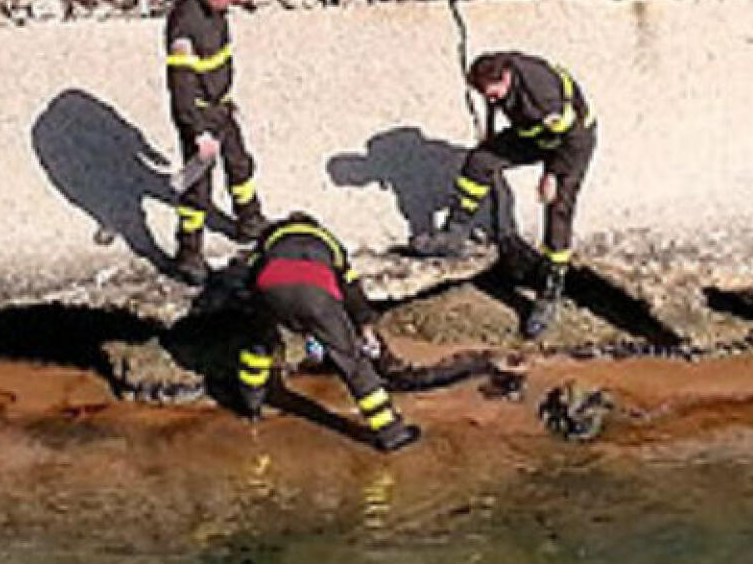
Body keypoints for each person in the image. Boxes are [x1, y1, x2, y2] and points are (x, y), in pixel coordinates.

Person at [410, 51, 598, 338]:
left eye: (493, 93)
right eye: (485, 93)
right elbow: (492, 102)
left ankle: (549, 292)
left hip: (571, 142)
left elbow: (570, 137)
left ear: (506, 77)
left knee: (558, 208)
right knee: (480, 161)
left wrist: (553, 175)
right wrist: (491, 136)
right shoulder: (496, 69)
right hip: (532, 133)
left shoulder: (543, 96)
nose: (491, 98)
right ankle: (454, 234)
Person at [237, 211, 422, 452]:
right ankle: (391, 433)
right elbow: (350, 287)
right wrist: (364, 323)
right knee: (352, 363)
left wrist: (256, 306)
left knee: (258, 345)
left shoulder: (271, 238)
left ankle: (251, 404)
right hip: (317, 295)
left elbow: (249, 274)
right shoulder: (329, 242)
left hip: (271, 287)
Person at [165, 0, 269, 285]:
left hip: (221, 108)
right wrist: (198, 133)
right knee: (197, 189)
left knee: (240, 166)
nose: (236, 5)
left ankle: (249, 222)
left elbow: (217, 61)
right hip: (198, 115)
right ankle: (189, 255)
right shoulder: (185, 22)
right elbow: (180, 84)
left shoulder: (217, 10)